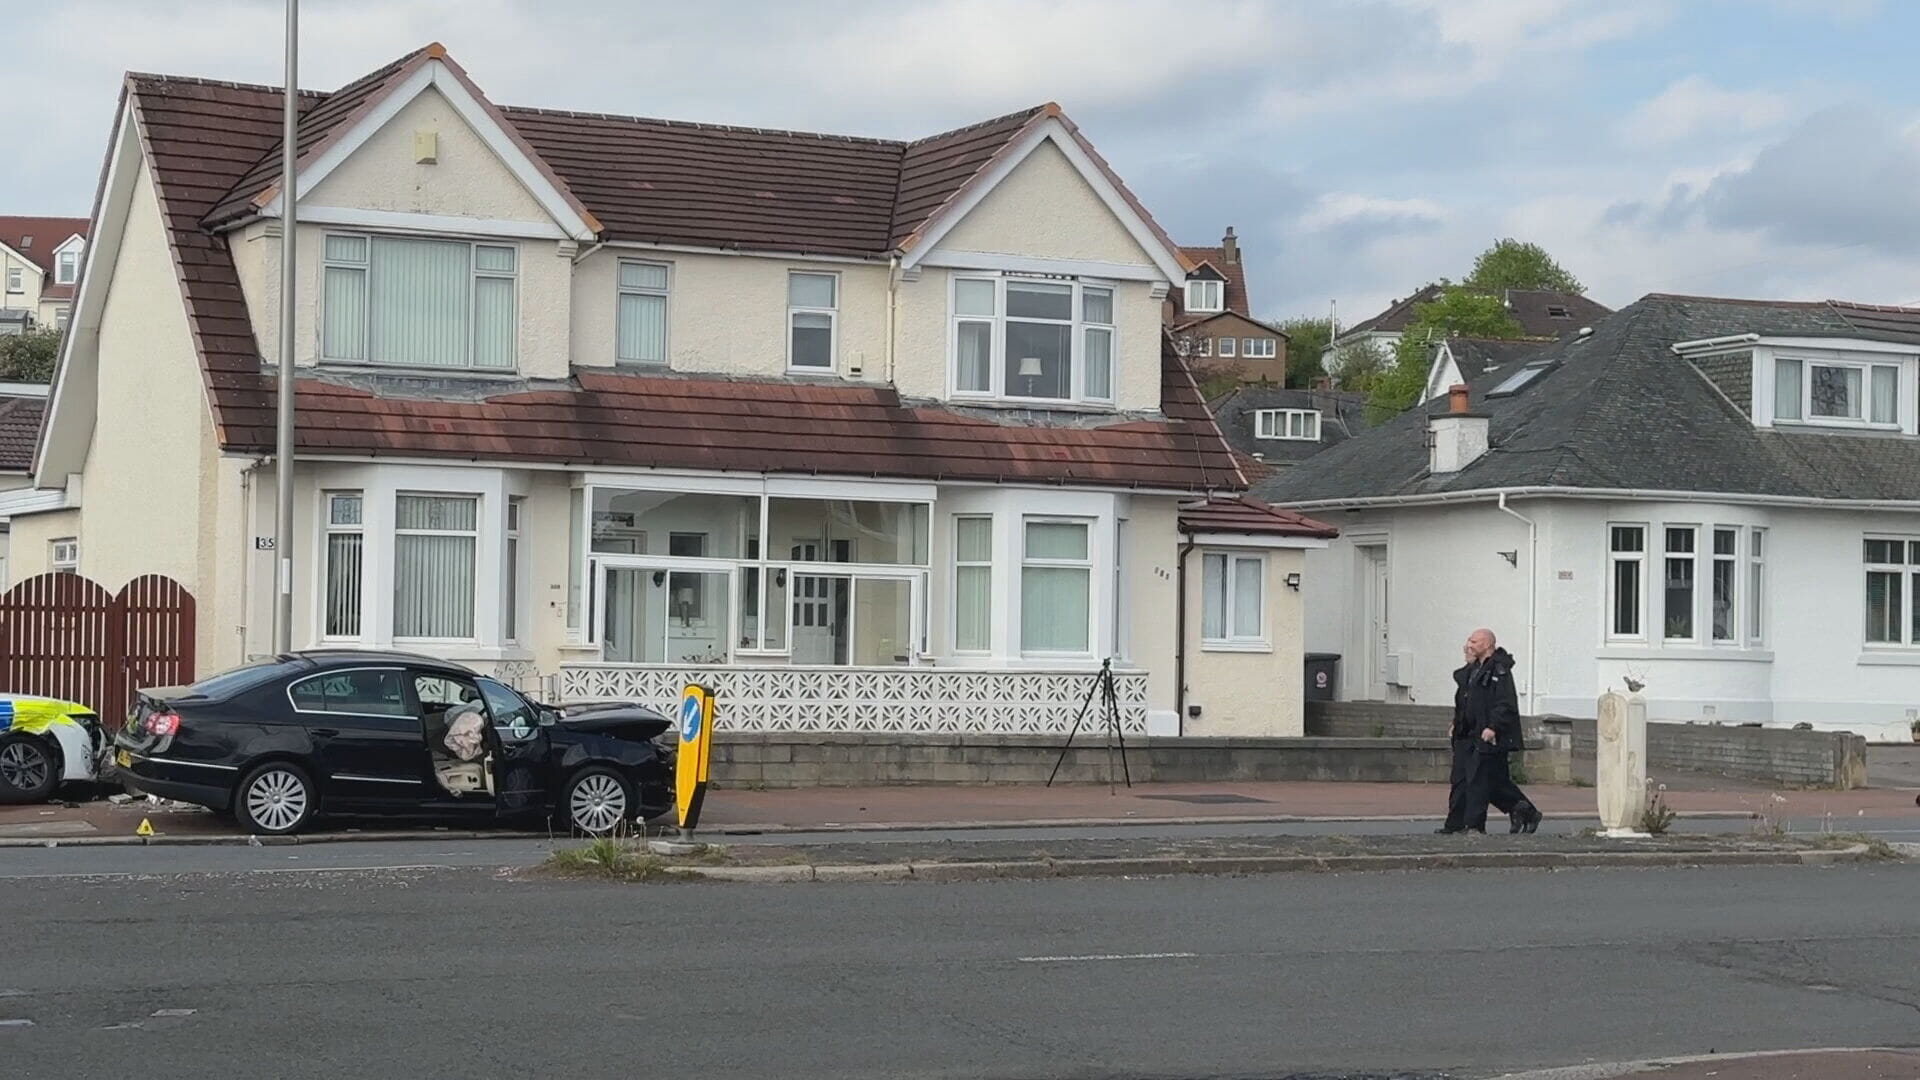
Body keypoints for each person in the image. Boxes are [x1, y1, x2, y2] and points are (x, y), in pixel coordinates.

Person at [1438, 628, 1543, 834]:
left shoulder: (1499, 671)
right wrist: (1456, 722)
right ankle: (1457, 824)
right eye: (1468, 640)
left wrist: (1493, 727)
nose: (1468, 645)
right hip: (1466, 735)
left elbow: (1505, 703)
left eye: (1474, 641)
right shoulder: (1471, 670)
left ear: (1487, 645)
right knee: (1464, 779)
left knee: (1479, 782)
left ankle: (1474, 826)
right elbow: (1465, 701)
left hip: (1487, 737)